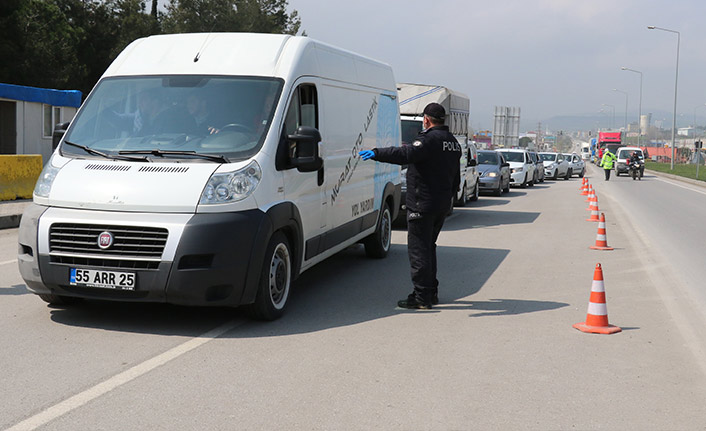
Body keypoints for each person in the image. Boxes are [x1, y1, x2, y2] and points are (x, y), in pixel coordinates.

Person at [359, 102, 461, 309]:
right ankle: (431, 293)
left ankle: (421, 297)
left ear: (426, 119)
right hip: (441, 205)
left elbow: (405, 154)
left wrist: (377, 153)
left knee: (419, 251)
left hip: (423, 204)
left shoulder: (428, 140)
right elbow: (456, 178)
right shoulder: (453, 143)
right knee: (428, 248)